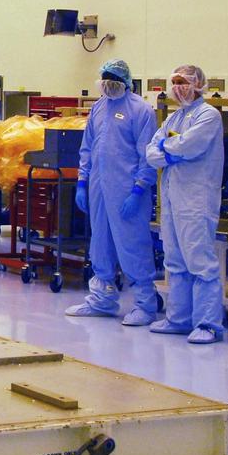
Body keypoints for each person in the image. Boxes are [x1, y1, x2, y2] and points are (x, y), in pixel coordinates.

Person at [64, 59, 159, 325]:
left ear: (126, 81)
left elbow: (147, 155)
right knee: (100, 243)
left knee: (132, 244)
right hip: (98, 188)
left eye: (112, 79)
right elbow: (88, 148)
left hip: (127, 190)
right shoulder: (98, 107)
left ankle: (145, 304)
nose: (107, 84)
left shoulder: (141, 111)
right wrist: (82, 182)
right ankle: (102, 299)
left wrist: (139, 189)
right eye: (104, 79)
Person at [146, 65, 225, 344]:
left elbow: (190, 146)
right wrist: (171, 151)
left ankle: (208, 324)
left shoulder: (209, 115)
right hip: (171, 198)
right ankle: (178, 319)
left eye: (184, 82)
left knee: (200, 261)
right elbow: (151, 153)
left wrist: (169, 150)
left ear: (198, 84)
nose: (179, 87)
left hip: (196, 199)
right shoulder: (174, 118)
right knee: (175, 260)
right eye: (175, 82)